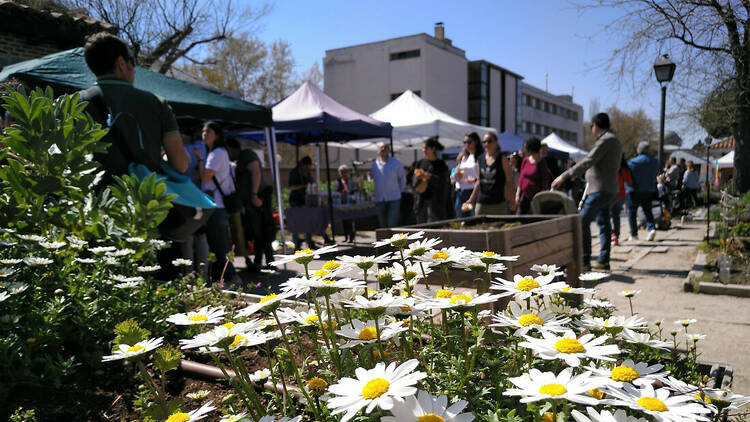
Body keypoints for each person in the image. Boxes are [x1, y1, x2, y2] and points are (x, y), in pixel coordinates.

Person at [81, 32, 190, 279]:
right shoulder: (155, 103)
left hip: (92, 217)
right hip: (149, 214)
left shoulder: (73, 104)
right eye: (132, 60)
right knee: (159, 294)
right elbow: (181, 164)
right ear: (122, 63)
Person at [552, 112, 622, 271]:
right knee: (603, 224)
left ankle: (584, 260)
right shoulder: (613, 140)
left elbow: (589, 161)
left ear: (596, 126)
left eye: (591, 126)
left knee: (582, 221)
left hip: (600, 189)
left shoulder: (606, 140)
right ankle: (603, 260)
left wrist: (565, 176)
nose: (591, 129)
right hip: (606, 188)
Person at [195, 121, 236, 284]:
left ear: (217, 135)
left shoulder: (216, 153)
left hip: (216, 205)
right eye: (203, 131)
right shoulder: (216, 152)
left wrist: (199, 160)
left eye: (208, 131)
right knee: (217, 243)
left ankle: (230, 276)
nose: (204, 134)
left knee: (218, 244)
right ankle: (224, 277)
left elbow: (205, 176)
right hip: (215, 204)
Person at [465, 132, 516, 215]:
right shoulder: (480, 159)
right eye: (484, 142)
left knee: (499, 227)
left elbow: (509, 181)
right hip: (482, 202)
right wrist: (471, 199)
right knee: (480, 226)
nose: (486, 144)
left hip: (498, 203)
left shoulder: (502, 159)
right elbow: (479, 181)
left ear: (495, 142)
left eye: (489, 141)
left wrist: (512, 200)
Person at [627, 141, 659, 242]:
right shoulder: (655, 162)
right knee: (648, 210)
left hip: (635, 190)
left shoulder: (633, 162)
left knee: (632, 211)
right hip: (649, 189)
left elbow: (628, 177)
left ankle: (633, 234)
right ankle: (651, 228)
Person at [413, 137, 450, 223]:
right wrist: (418, 178)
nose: (423, 150)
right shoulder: (420, 163)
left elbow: (443, 182)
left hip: (435, 201)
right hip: (421, 200)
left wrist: (429, 176)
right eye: (423, 148)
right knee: (422, 226)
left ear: (433, 149)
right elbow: (414, 182)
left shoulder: (440, 163)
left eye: (426, 148)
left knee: (433, 225)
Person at [372, 142, 406, 228]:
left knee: (392, 225)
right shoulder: (374, 164)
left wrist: (399, 191)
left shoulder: (396, 162)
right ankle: (385, 242)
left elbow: (402, 179)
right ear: (377, 151)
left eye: (385, 147)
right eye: (381, 148)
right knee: (382, 225)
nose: (383, 149)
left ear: (389, 150)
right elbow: (375, 180)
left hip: (393, 198)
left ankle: (393, 242)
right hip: (379, 199)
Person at [515, 137, 551, 215]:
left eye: (526, 148)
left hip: (536, 198)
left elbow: (545, 182)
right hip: (524, 197)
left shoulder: (542, 163)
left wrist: (541, 199)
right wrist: (517, 194)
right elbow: (521, 178)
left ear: (531, 149)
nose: (525, 150)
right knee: (519, 217)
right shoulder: (525, 160)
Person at [289, 156, 317, 249]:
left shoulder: (307, 173)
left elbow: (311, 183)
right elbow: (291, 187)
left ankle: (309, 242)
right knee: (295, 223)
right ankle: (296, 245)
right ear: (303, 165)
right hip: (295, 201)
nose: (308, 168)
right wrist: (304, 185)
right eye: (307, 166)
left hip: (305, 201)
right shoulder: (294, 173)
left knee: (308, 222)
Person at [452, 132, 482, 218]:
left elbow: (479, 177)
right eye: (464, 142)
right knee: (460, 217)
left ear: (476, 142)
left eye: (469, 142)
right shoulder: (464, 157)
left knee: (471, 218)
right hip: (460, 190)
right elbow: (457, 174)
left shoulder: (479, 157)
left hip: (472, 190)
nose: (466, 145)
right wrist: (456, 174)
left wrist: (471, 180)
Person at [610, 156, 633, 246]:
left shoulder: (611, 166)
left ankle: (612, 235)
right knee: (616, 216)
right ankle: (616, 236)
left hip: (611, 194)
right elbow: (629, 181)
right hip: (621, 195)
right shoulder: (624, 168)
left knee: (606, 216)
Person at [336, 164, 358, 242]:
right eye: (341, 172)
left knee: (350, 220)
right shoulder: (338, 181)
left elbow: (355, 189)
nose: (343, 174)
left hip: (350, 202)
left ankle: (351, 236)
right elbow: (336, 191)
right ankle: (346, 237)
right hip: (342, 203)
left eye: (344, 172)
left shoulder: (351, 181)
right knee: (344, 220)